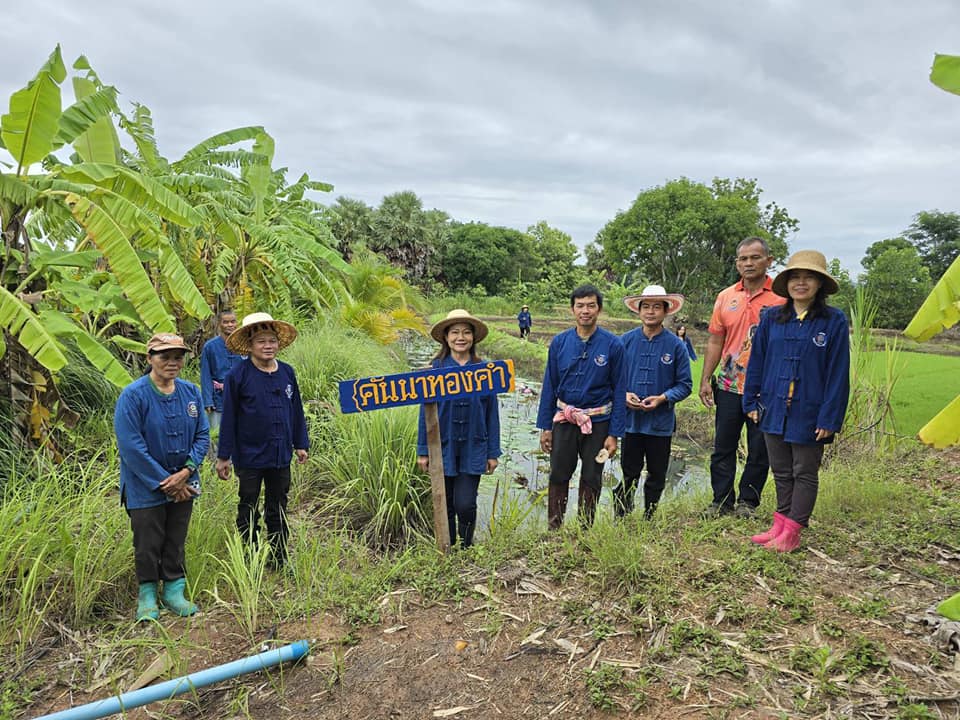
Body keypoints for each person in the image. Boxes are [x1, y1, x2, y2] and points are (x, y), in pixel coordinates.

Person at [743, 250, 850, 552]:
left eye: (809, 277)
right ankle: (779, 523)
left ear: (819, 284)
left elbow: (838, 373)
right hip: (774, 407)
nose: (801, 283)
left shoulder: (833, 321)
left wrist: (830, 418)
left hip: (809, 411)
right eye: (795, 277)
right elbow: (757, 362)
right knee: (781, 469)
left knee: (804, 471)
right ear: (787, 283)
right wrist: (750, 401)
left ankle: (793, 532)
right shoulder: (772, 318)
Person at [114, 333, 209, 621]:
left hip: (185, 482)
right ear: (149, 358)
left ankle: (173, 591)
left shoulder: (191, 392)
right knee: (147, 540)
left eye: (178, 356)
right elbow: (131, 446)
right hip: (145, 486)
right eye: (164, 356)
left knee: (175, 537)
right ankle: (146, 596)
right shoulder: (133, 395)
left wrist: (186, 472)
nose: (172, 362)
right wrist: (165, 482)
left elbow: (203, 435)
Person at [698, 237, 787, 517]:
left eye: (755, 257)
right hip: (728, 384)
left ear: (768, 261)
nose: (748, 263)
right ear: (737, 263)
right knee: (723, 445)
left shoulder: (782, 299)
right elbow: (715, 341)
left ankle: (748, 502)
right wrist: (705, 378)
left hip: (767, 388)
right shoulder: (726, 297)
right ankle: (721, 501)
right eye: (743, 259)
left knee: (760, 448)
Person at [216, 313, 309, 569]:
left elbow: (296, 410)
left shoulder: (287, 373)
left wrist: (300, 443)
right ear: (250, 344)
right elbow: (229, 418)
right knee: (248, 504)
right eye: (261, 341)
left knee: (278, 505)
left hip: (280, 454)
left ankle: (279, 557)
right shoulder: (238, 375)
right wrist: (224, 456)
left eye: (272, 340)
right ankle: (250, 556)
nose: (268, 346)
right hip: (249, 455)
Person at [537, 284, 626, 529]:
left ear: (599, 309)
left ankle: (585, 529)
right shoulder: (560, 343)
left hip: (597, 422)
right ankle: (554, 528)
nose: (585, 311)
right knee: (558, 473)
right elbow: (550, 385)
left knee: (592, 475)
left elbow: (619, 390)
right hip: (565, 420)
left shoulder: (613, 345)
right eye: (580, 306)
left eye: (590, 305)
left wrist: (614, 434)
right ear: (572, 309)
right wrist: (545, 426)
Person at [417, 309, 502, 548]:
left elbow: (492, 414)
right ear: (446, 337)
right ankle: (448, 547)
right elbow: (424, 415)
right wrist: (423, 450)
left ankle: (467, 546)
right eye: (455, 332)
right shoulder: (434, 370)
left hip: (473, 445)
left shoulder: (485, 371)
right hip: (442, 446)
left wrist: (492, 452)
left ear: (473, 337)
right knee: (447, 503)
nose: (460, 337)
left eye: (466, 332)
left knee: (466, 503)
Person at [615, 286, 693, 519]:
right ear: (638, 311)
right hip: (631, 423)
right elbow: (612, 379)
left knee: (657, 473)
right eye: (646, 307)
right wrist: (624, 395)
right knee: (629, 472)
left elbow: (685, 384)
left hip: (660, 423)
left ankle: (649, 517)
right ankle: (621, 517)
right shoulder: (624, 342)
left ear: (666, 311)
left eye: (656, 307)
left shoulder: (676, 345)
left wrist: (662, 398)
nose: (650, 312)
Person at [199, 310, 244, 451]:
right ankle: (217, 464)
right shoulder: (210, 347)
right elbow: (205, 375)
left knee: (240, 432)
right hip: (218, 398)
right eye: (226, 322)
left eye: (233, 321)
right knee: (217, 435)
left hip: (241, 397)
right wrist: (208, 401)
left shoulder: (244, 346)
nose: (230, 325)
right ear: (219, 324)